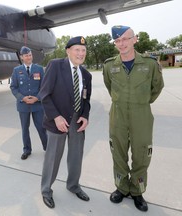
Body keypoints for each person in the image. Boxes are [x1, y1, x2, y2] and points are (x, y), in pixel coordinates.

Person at [102, 25, 164, 212]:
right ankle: (121, 188)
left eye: (125, 39)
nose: (121, 43)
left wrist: (141, 103)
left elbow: (157, 88)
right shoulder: (109, 65)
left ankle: (137, 191)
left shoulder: (150, 64)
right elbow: (109, 86)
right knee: (118, 153)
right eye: (118, 40)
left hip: (142, 115)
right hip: (117, 114)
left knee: (142, 154)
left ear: (135, 39)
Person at [39, 36, 92, 209]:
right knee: (53, 157)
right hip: (58, 120)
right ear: (68, 51)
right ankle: (46, 190)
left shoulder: (86, 74)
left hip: (77, 121)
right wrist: (56, 117)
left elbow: (86, 100)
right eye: (77, 49)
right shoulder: (55, 66)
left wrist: (85, 115)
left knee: (76, 155)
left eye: (83, 50)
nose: (80, 53)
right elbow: (44, 95)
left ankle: (73, 185)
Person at [10, 46, 47, 160]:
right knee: (25, 129)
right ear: (22, 57)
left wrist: (37, 98)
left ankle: (47, 148)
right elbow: (13, 87)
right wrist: (22, 98)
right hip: (23, 106)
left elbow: (44, 87)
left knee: (41, 128)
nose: (29, 57)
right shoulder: (17, 71)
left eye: (30, 55)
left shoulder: (39, 69)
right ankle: (27, 150)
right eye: (26, 55)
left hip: (37, 105)